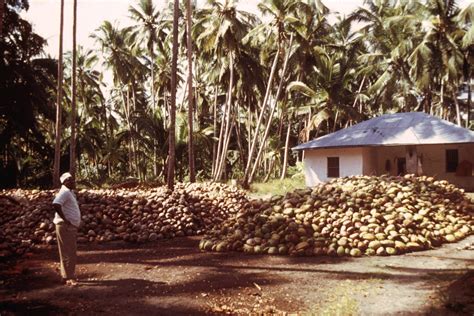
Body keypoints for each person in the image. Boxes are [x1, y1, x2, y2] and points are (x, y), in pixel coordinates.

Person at [52, 172, 81, 286]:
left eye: (72, 179)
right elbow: (56, 204)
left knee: (69, 251)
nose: (72, 181)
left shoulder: (69, 192)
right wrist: (65, 219)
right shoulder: (64, 192)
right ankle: (68, 277)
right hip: (65, 226)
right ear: (64, 182)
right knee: (68, 251)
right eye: (69, 180)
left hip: (69, 226)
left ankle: (68, 275)